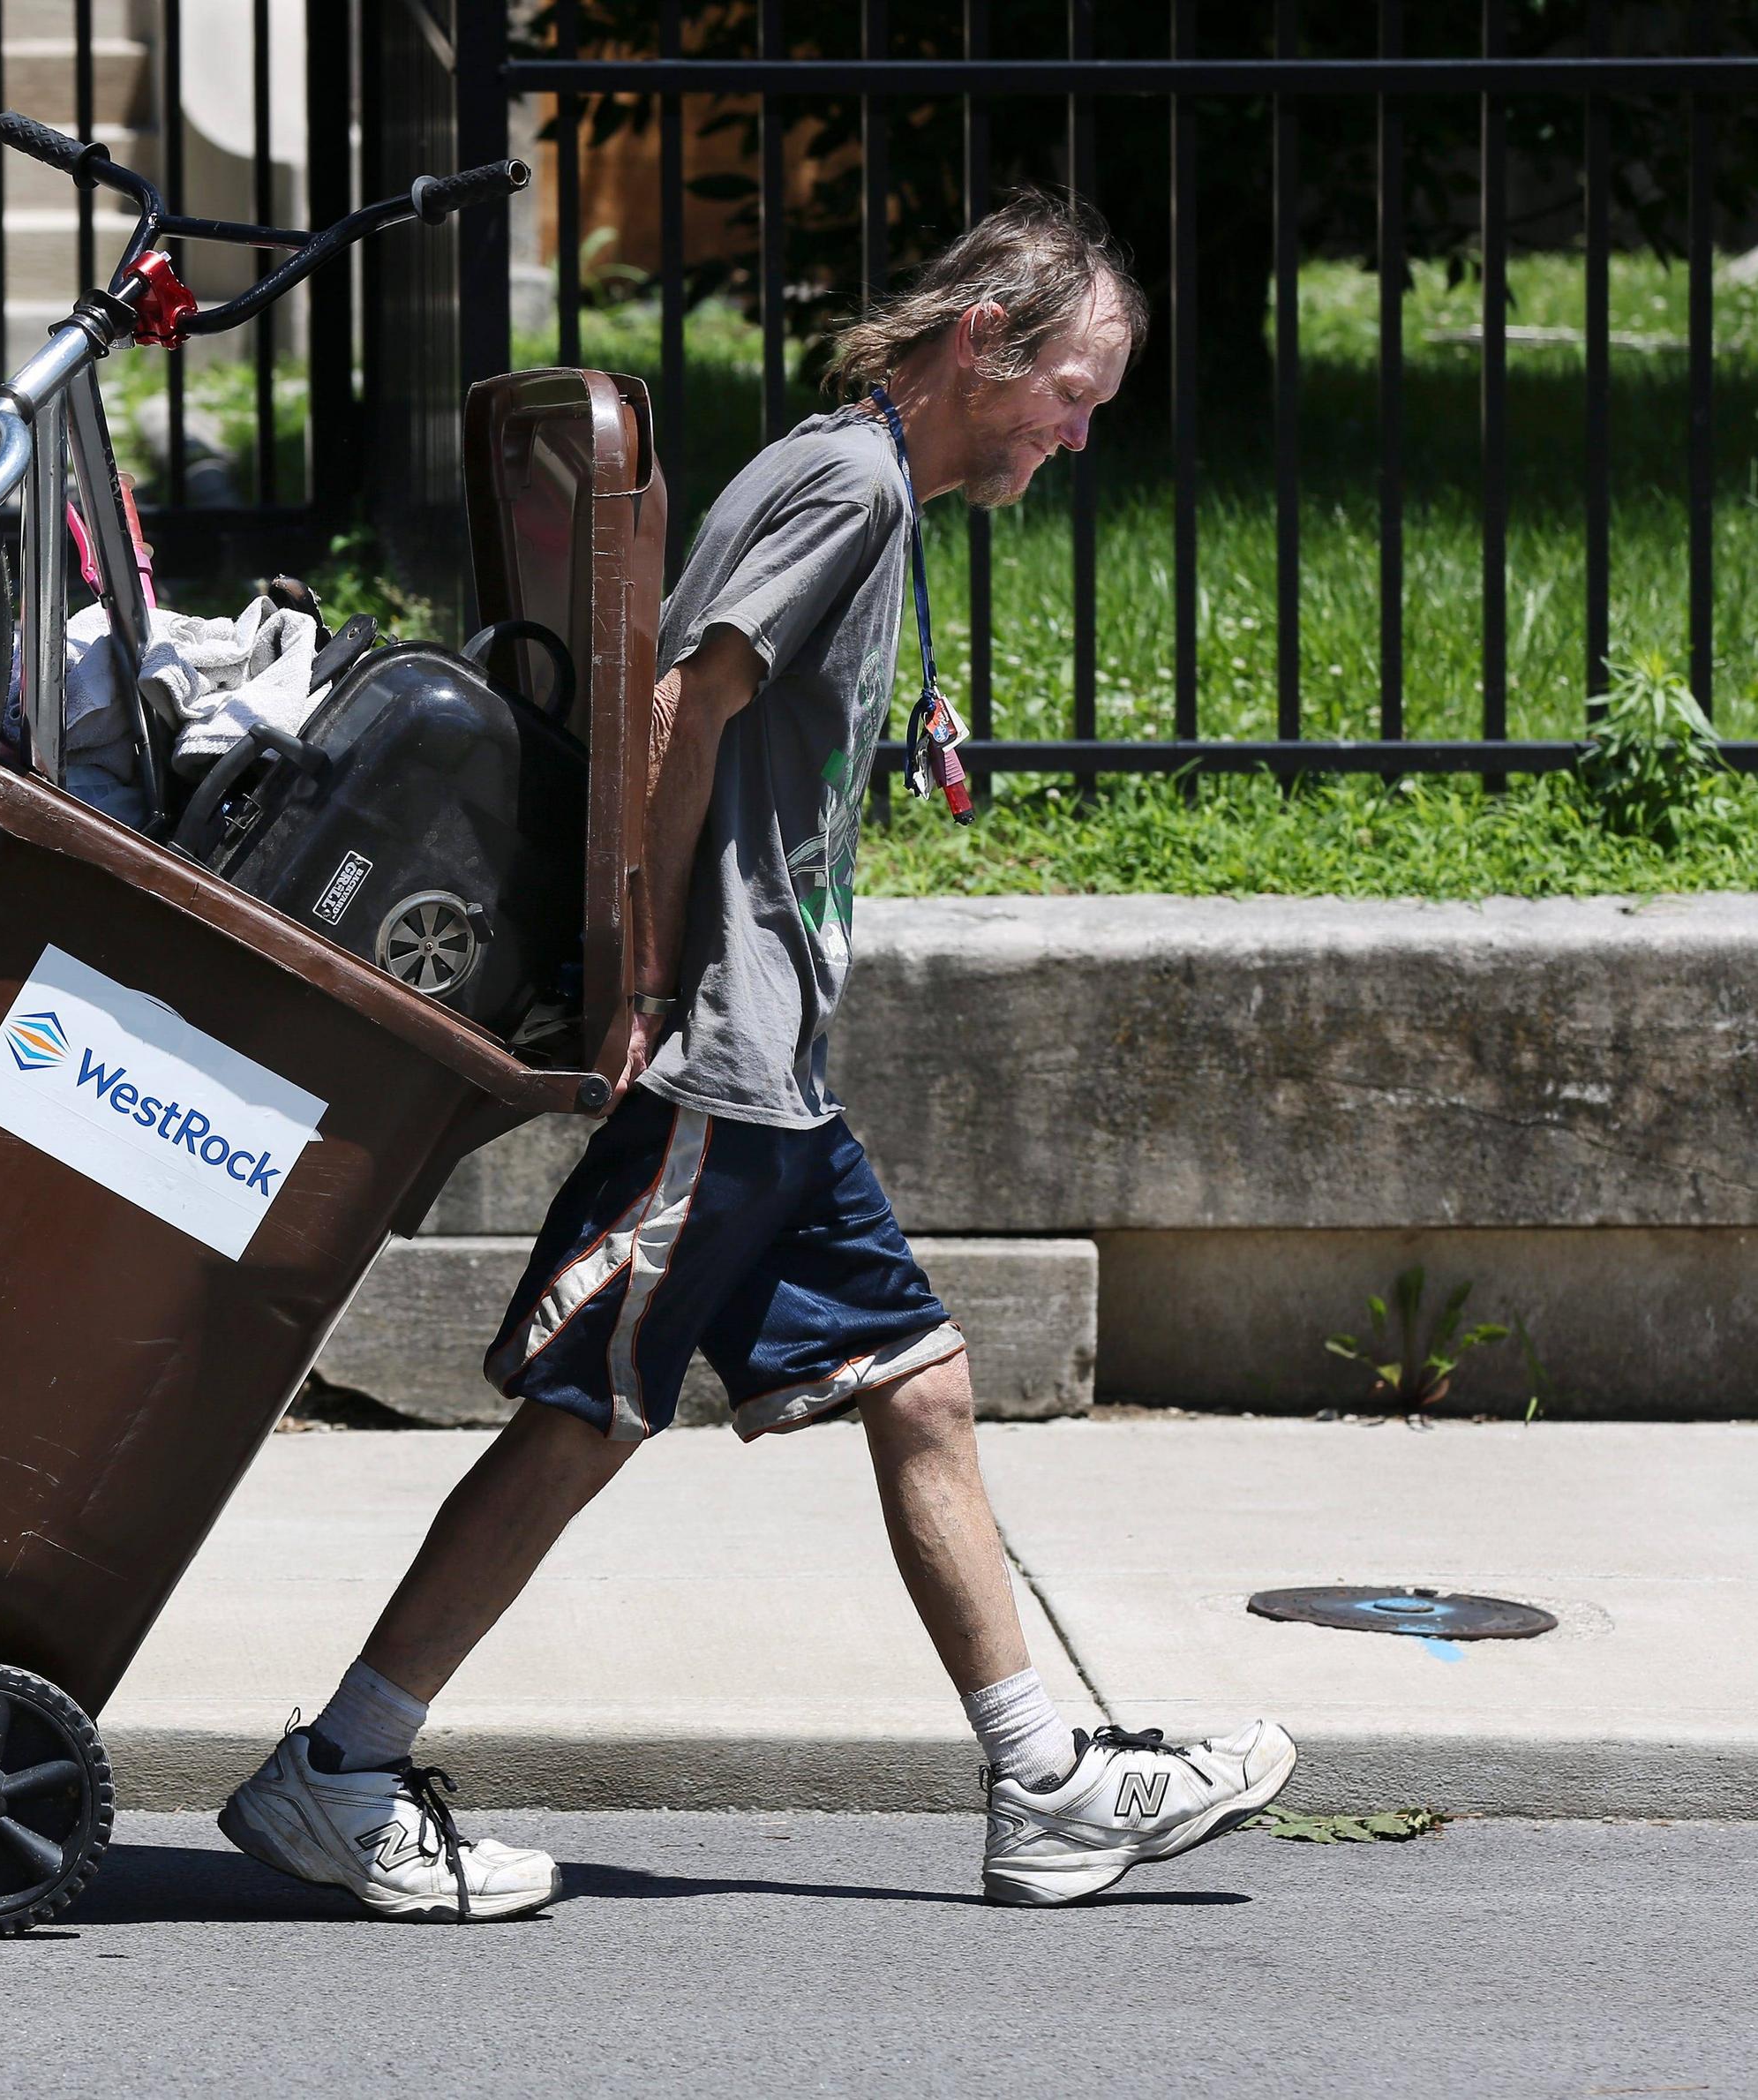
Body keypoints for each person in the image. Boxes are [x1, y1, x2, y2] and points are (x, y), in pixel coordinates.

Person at [217, 191, 1296, 1918]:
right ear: (975, 348)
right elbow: (677, 702)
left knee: (920, 1385)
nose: (1082, 434)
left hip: (765, 1065)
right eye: (1072, 394)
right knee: (583, 1417)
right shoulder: (845, 488)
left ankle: (1044, 1786)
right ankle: (339, 1767)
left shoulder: (873, 493)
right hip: (721, 1058)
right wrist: (646, 972)